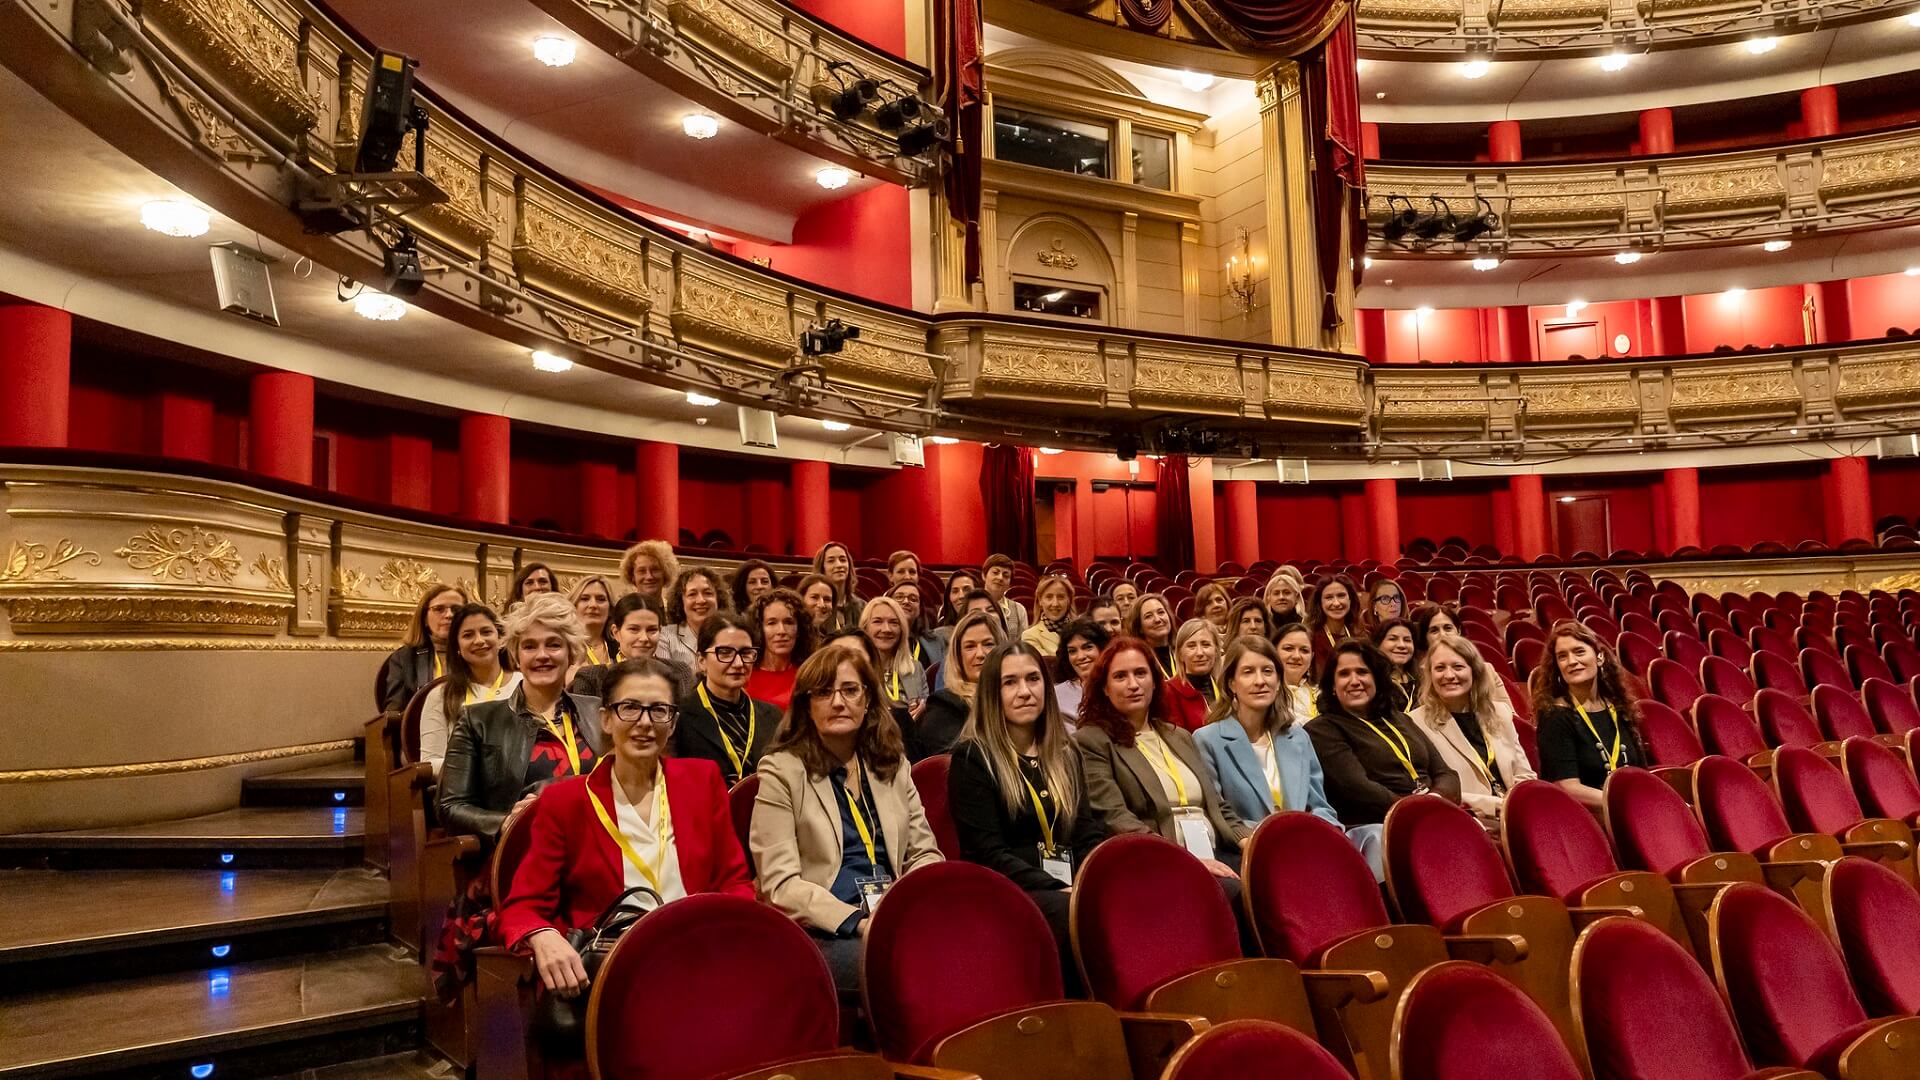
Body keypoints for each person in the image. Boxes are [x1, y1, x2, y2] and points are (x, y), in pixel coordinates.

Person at [498, 658, 754, 1001]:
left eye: (659, 710)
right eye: (629, 708)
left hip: (700, 953)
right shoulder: (565, 801)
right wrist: (543, 935)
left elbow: (734, 881)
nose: (645, 723)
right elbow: (523, 905)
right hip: (616, 964)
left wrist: (731, 938)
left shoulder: (702, 781)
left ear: (673, 722)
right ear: (605, 718)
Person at [751, 645, 944, 992]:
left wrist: (907, 910)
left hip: (895, 914)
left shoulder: (892, 766)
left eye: (850, 690)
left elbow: (924, 853)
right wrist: (857, 921)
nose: (839, 702)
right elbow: (779, 884)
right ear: (806, 706)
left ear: (867, 699)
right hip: (829, 926)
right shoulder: (782, 771)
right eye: (824, 692)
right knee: (909, 972)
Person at [948, 641, 1105, 968]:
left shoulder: (1065, 753)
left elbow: (1085, 832)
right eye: (1010, 682)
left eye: (1033, 679)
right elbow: (986, 853)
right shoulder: (973, 758)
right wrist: (1060, 886)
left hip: (1067, 885)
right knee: (1073, 914)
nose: (1024, 691)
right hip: (1007, 890)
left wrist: (1097, 877)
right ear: (992, 693)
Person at [1195, 637, 1382, 877]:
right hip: (1253, 848)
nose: (1260, 681)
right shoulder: (1208, 739)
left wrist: (1320, 834)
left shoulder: (1297, 737)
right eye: (1248, 672)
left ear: (1278, 679)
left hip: (1307, 841)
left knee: (1376, 836)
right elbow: (1218, 810)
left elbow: (1319, 805)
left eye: (1268, 671)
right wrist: (1254, 839)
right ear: (1232, 683)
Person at [1074, 638, 1247, 882]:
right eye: (1121, 676)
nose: (1133, 684)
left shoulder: (1180, 737)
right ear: (1104, 687)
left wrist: (1249, 842)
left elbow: (1217, 805)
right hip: (1157, 860)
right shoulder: (1092, 740)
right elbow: (1115, 818)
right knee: (1232, 891)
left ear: (1155, 682)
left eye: (1141, 673)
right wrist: (1185, 858)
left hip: (1216, 851)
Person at [439, 593, 602, 841]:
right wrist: (507, 822)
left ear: (572, 652)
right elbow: (451, 807)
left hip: (598, 841)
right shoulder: (478, 720)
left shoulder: (598, 712)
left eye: (554, 644)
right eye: (529, 646)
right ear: (516, 656)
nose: (541, 655)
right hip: (525, 849)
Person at [1308, 640, 1461, 827]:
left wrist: (1436, 799)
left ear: (1377, 679)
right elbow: (1359, 790)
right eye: (1344, 674)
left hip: (1433, 812)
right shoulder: (1322, 730)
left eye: (1362, 672)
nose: (1354, 681)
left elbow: (1446, 773)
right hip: (1382, 826)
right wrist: (1418, 812)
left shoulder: (1401, 719)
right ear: (1332, 685)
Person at [1409, 636, 1536, 829]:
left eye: (1458, 667)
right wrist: (1496, 806)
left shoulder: (1500, 713)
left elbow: (1524, 775)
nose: (1449, 675)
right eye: (1440, 668)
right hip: (1466, 824)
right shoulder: (1416, 723)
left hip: (1516, 819)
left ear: (1475, 671)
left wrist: (1517, 807)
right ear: (1430, 675)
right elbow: (1431, 791)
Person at [1529, 620, 1645, 810]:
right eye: (1562, 657)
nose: (1572, 661)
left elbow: (1642, 772)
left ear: (1599, 658)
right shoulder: (1555, 716)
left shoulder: (1619, 708)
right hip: (1589, 819)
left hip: (1632, 811)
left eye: (1579, 651)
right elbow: (1566, 787)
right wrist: (1625, 803)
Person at [673, 612, 780, 788]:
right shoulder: (680, 717)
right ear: (701, 661)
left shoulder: (771, 716)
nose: (738, 663)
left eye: (746, 653)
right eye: (725, 652)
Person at [420, 604, 520, 776]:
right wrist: (477, 766)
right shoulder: (441, 695)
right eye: (468, 635)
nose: (479, 640)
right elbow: (429, 762)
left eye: (486, 632)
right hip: (467, 792)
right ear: (457, 646)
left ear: (500, 638)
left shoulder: (524, 684)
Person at [912, 608, 1004, 761]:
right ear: (958, 657)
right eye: (970, 646)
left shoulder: (1015, 699)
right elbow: (955, 766)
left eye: (988, 644)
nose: (980, 654)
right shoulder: (944, 706)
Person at [571, 593, 693, 701]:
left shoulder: (679, 672)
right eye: (634, 629)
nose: (644, 638)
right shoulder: (592, 677)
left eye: (652, 630)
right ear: (615, 632)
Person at [381, 583, 469, 713]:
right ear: (425, 618)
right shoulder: (404, 658)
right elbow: (394, 711)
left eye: (456, 609)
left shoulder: (478, 652)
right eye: (439, 609)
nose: (449, 615)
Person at [746, 588, 814, 711]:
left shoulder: (809, 674)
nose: (781, 631)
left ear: (799, 629)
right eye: (772, 623)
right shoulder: (745, 673)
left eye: (789, 622)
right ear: (760, 629)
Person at [862, 595, 928, 719]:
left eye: (894, 622)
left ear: (902, 629)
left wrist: (924, 708)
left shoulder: (916, 668)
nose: (886, 629)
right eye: (877, 621)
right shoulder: (856, 669)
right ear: (865, 628)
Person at [659, 566, 729, 670]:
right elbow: (666, 681)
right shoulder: (665, 636)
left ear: (718, 599)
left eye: (708, 593)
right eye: (692, 594)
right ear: (680, 601)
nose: (701, 600)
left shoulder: (732, 636)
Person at [1163, 618, 1222, 731]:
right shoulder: (1169, 692)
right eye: (1191, 646)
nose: (1199, 653)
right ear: (1180, 654)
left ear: (1216, 650)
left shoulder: (1226, 688)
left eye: (1206, 645)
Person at [1052, 617, 1110, 724]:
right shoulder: (1056, 694)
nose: (1080, 657)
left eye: (1088, 647)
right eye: (1072, 651)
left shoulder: (1117, 687)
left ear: (1102, 649)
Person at [886, 578, 946, 679]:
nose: (906, 601)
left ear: (920, 609)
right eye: (899, 597)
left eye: (913, 599)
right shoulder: (879, 638)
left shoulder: (935, 641)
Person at [1122, 592, 1178, 680]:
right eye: (1148, 616)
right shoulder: (1138, 660)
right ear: (1139, 627)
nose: (1157, 619)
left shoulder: (1183, 653)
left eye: (1161, 612)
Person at [1306, 574, 1360, 663]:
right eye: (1329, 597)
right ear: (1320, 603)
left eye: (1341, 595)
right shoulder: (1311, 638)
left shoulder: (1360, 634)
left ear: (1350, 600)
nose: (1336, 603)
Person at [811, 541, 864, 629]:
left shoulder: (862, 606)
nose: (839, 565)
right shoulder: (815, 606)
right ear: (822, 568)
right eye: (831, 561)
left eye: (843, 560)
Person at [567, 574, 617, 667]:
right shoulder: (564, 647)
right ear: (574, 606)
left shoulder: (620, 647)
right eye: (585, 599)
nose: (593, 605)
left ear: (610, 608)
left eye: (601, 599)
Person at [1020, 576, 1075, 655]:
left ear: (1068, 600)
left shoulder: (1082, 631)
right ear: (1040, 600)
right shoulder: (1029, 636)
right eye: (1049, 597)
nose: (1055, 603)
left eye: (1061, 597)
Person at [1372, 618, 1419, 713]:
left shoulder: (1421, 679)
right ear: (1378, 644)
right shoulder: (1373, 683)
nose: (1402, 645)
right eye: (1393, 639)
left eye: (1407, 640)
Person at [1275, 622, 1319, 720]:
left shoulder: (1320, 694)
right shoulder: (1264, 692)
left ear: (1312, 656)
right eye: (1288, 648)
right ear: (1274, 651)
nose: (1296, 656)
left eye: (1304, 650)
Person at [982, 554, 1030, 638]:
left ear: (1010, 584)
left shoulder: (1019, 610)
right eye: (995, 572)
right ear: (983, 575)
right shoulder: (971, 605)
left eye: (1006, 575)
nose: (1000, 578)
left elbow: (1022, 645)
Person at [936, 568, 982, 639]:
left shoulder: (990, 624)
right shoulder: (940, 633)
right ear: (949, 598)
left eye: (967, 590)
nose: (961, 596)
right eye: (955, 591)